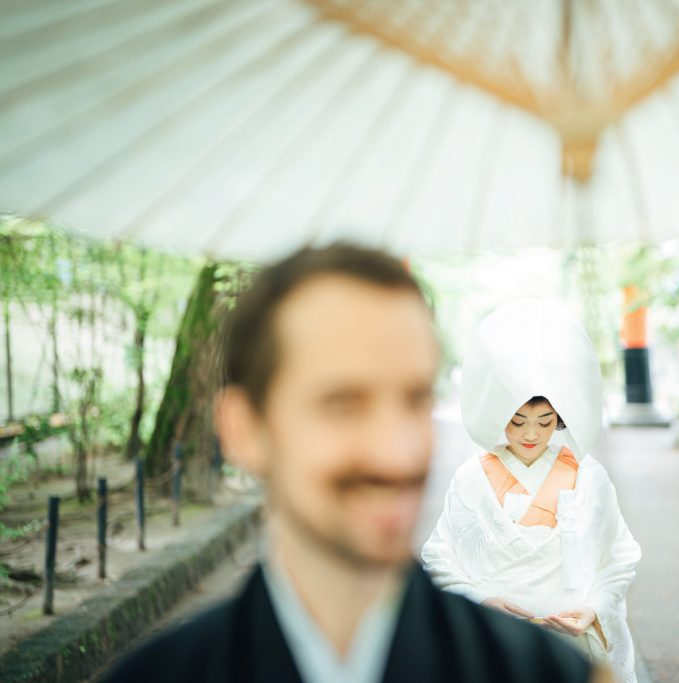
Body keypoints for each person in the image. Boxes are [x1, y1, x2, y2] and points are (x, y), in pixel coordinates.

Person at [104, 244, 611, 683]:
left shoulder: (546, 673)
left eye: (414, 400)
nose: (398, 453)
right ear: (243, 429)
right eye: (343, 404)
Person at [422, 300, 642, 683]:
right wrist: (484, 598)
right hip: (498, 643)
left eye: (544, 423)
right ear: (498, 416)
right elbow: (440, 557)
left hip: (574, 641)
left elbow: (618, 554)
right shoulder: (471, 477)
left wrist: (594, 608)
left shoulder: (589, 476)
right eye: (518, 421)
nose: (530, 435)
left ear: (559, 420)